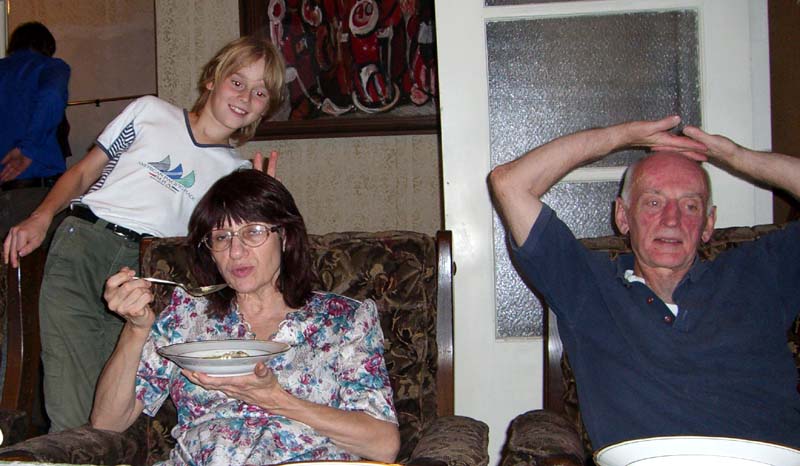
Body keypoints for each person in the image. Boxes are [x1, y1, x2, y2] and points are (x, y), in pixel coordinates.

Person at [3, 35, 286, 432]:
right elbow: (85, 171)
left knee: (111, 416)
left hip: (147, 276)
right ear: (212, 79)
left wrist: (261, 201)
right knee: (68, 407)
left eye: (260, 92)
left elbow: (243, 252)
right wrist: (42, 215)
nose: (245, 97)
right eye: (237, 82)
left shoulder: (235, 174)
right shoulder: (149, 112)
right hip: (83, 245)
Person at [489, 115, 800, 450]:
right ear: (623, 217)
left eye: (690, 205)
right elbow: (509, 183)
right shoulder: (587, 286)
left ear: (708, 224)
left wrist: (738, 157)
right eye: (653, 202)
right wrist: (621, 137)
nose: (672, 219)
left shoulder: (759, 273)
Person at [95, 169, 401, 465]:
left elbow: (383, 445)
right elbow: (107, 422)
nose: (236, 251)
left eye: (253, 232)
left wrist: (274, 399)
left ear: (284, 236)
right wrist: (136, 329)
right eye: (221, 237)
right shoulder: (186, 313)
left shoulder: (345, 320)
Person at [0, 22, 70, 239]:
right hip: (35, 194)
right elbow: (52, 97)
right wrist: (27, 149)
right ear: (46, 46)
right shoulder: (50, 67)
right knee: (45, 269)